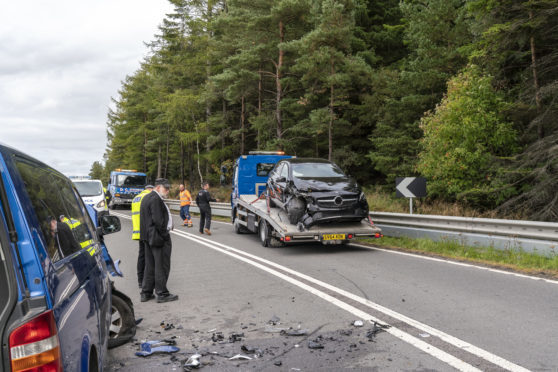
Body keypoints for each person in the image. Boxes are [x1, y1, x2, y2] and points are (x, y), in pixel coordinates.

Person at [139, 178, 178, 303]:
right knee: (161, 265)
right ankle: (162, 293)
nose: (167, 191)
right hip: (157, 238)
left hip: (147, 237)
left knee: (150, 266)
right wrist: (164, 234)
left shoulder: (146, 197)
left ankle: (146, 292)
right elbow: (158, 221)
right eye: (165, 188)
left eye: (168, 188)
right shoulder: (156, 199)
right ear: (157, 187)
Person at [131, 184, 153, 288]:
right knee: (149, 256)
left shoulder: (135, 198)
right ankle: (147, 281)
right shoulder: (149, 197)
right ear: (151, 189)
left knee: (141, 256)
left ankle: (140, 280)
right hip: (147, 230)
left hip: (138, 231)